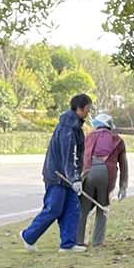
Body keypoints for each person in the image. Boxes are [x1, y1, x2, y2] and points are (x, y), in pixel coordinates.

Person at [21, 93, 92, 252]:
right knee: (54, 208)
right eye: (87, 108)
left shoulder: (77, 127)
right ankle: (28, 236)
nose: (88, 111)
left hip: (69, 177)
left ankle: (68, 244)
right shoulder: (67, 127)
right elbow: (69, 155)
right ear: (79, 108)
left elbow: (78, 156)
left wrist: (76, 177)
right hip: (57, 176)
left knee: (72, 209)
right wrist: (75, 178)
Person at [80, 114, 129, 247]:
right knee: (103, 207)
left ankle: (79, 240)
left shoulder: (88, 137)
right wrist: (123, 186)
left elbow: (81, 157)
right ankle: (98, 242)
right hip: (107, 173)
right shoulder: (118, 140)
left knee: (84, 208)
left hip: (89, 172)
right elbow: (123, 166)